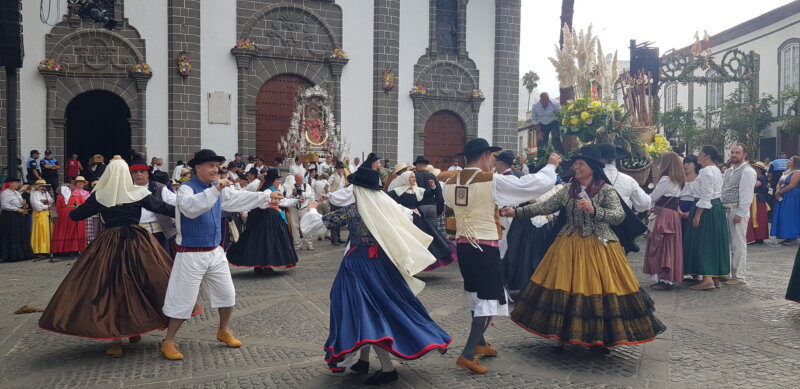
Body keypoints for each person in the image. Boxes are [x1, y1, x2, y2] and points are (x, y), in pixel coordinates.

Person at [501, 145, 665, 351]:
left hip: (600, 245)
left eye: (580, 164)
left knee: (599, 288)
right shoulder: (568, 190)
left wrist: (595, 210)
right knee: (563, 286)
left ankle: (600, 336)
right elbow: (544, 207)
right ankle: (561, 333)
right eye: (575, 163)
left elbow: (618, 215)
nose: (576, 167)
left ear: (592, 168)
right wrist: (515, 212)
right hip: (567, 243)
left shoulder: (606, 189)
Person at [300, 165, 451, 385]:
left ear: (360, 188)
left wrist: (312, 209)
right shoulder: (388, 206)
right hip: (382, 263)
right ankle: (363, 360)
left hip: (359, 265)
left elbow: (315, 226)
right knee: (375, 309)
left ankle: (388, 369)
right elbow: (409, 218)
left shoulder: (354, 209)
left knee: (365, 311)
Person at [38, 156, 177, 357]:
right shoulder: (138, 192)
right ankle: (134, 327)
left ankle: (116, 341)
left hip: (109, 243)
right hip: (139, 242)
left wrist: (80, 205)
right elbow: (165, 208)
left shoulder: (101, 195)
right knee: (146, 283)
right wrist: (192, 210)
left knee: (112, 287)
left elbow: (76, 216)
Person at [443, 138, 561, 374]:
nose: (493, 163)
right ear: (486, 156)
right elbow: (530, 185)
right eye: (492, 158)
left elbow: (455, 207)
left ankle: (480, 342)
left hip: (464, 245)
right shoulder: (489, 181)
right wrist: (550, 167)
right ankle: (467, 354)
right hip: (484, 246)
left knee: (476, 294)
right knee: (488, 297)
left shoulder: (450, 181)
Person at [160, 149, 275, 360]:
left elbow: (237, 199)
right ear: (198, 168)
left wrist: (265, 196)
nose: (215, 170)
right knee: (182, 299)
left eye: (217, 166)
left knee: (227, 294)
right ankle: (168, 341)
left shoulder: (217, 187)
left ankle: (223, 330)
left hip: (214, 251)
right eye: (211, 166)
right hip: (191, 253)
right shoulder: (186, 189)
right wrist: (215, 191)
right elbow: (190, 209)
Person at [227, 168, 299, 272]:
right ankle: (262, 265)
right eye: (278, 180)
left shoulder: (275, 191)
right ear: (273, 181)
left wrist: (296, 200)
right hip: (265, 219)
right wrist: (270, 203)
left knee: (270, 242)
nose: (279, 181)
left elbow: (283, 202)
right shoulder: (267, 191)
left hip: (274, 218)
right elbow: (261, 204)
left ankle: (266, 264)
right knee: (264, 242)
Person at [388, 171, 456, 271]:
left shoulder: (417, 190)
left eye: (414, 177)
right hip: (404, 218)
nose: (414, 179)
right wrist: (400, 208)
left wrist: (433, 187)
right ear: (406, 179)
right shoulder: (398, 190)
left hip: (416, 217)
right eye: (412, 177)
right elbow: (387, 197)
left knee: (424, 239)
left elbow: (429, 194)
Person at [683, 146, 730, 290]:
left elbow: (706, 195)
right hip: (714, 208)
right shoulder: (715, 170)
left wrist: (697, 215)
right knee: (713, 242)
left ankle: (707, 279)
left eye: (701, 154)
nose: (698, 157)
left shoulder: (707, 171)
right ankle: (714, 278)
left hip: (706, 209)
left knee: (704, 243)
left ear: (708, 156)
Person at [644, 151, 686, 290]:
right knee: (670, 244)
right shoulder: (679, 180)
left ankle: (663, 277)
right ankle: (667, 277)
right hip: (673, 215)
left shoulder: (665, 180)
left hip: (663, 214)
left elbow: (654, 197)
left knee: (660, 244)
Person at [720, 143, 757, 286]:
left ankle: (739, 276)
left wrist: (740, 213)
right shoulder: (728, 171)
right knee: (727, 243)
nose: (734, 155)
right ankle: (728, 272)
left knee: (738, 244)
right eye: (733, 152)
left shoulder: (748, 171)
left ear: (744, 154)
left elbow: (746, 194)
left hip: (737, 209)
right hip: (726, 208)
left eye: (738, 153)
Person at [130, 155, 177, 257]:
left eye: (142, 171)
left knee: (161, 264)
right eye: (135, 172)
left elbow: (174, 202)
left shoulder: (159, 188)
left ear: (148, 173)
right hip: (135, 234)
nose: (139, 175)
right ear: (131, 174)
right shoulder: (127, 190)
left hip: (159, 233)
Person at [597, 143, 651, 212]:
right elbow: (644, 203)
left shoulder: (589, 178)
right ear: (614, 159)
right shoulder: (628, 180)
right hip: (623, 220)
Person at [0, 177, 34, 261]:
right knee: (12, 234)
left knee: (20, 233)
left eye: (18, 183)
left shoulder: (16, 193)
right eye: (16, 182)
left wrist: (24, 206)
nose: (18, 184)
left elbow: (21, 201)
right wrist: (16, 209)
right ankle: (10, 255)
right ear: (10, 184)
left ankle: (22, 254)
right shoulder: (5, 193)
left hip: (19, 215)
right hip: (10, 216)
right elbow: (4, 205)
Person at [51, 181, 88, 256]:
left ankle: (64, 249)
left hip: (65, 214)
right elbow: (83, 204)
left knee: (64, 230)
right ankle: (75, 249)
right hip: (74, 213)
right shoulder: (77, 195)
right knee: (73, 230)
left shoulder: (60, 197)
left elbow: (58, 208)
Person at [772, 156, 800, 246]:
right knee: (782, 214)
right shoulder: (785, 172)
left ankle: (792, 236)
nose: (788, 161)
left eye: (791, 160)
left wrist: (780, 192)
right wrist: (777, 191)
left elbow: (792, 185)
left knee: (790, 214)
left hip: (791, 195)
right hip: (782, 194)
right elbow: (779, 183)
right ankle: (784, 235)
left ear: (795, 162)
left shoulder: (797, 172)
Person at [413, 156, 444, 228]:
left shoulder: (415, 176)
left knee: (421, 229)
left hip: (420, 206)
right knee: (433, 230)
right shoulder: (432, 176)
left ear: (417, 165)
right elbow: (438, 192)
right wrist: (440, 209)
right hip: (432, 206)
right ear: (426, 165)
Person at [288, 173, 316, 250]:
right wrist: (293, 193)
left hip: (304, 208)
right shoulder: (291, 186)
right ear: (295, 179)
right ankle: (297, 244)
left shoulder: (306, 186)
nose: (299, 181)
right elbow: (287, 196)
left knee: (306, 226)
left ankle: (309, 244)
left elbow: (309, 195)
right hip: (294, 208)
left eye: (300, 180)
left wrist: (300, 192)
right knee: (294, 227)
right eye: (297, 180)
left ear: (303, 179)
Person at [747, 161, 770, 244]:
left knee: (759, 218)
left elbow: (754, 185)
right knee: (753, 218)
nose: (754, 169)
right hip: (753, 200)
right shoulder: (756, 177)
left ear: (760, 170)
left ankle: (759, 237)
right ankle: (754, 236)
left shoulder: (761, 178)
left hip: (758, 200)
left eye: (755, 168)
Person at [30, 180, 54, 257]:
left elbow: (51, 201)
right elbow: (37, 206)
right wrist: (47, 206)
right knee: (40, 231)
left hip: (46, 214)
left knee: (47, 231)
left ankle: (47, 249)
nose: (43, 187)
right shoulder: (34, 194)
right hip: (39, 214)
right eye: (41, 186)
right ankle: (39, 250)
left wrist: (46, 205)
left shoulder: (45, 193)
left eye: (44, 186)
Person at [327, 162, 349, 246]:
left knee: (339, 219)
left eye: (342, 168)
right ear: (337, 169)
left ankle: (338, 237)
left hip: (340, 200)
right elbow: (326, 186)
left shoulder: (343, 177)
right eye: (340, 168)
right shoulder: (332, 177)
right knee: (334, 219)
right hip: (334, 199)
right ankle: (334, 238)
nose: (342, 170)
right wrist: (329, 195)